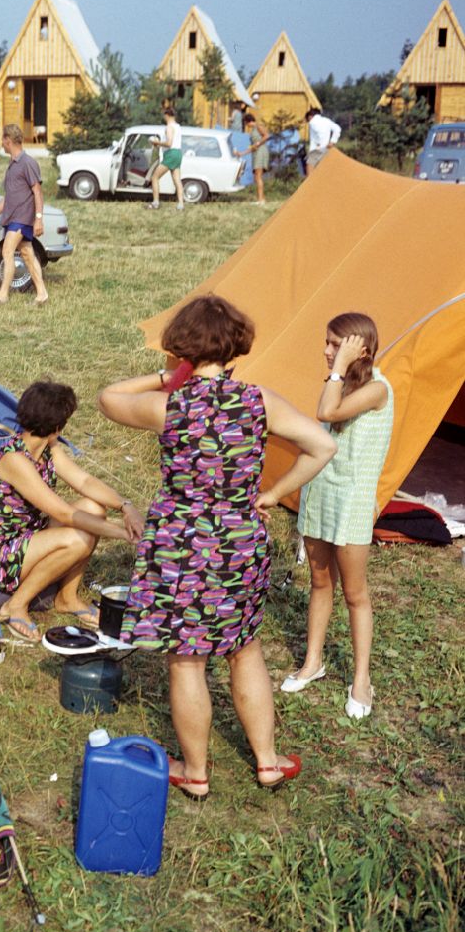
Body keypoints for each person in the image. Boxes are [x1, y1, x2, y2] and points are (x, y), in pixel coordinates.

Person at [98, 295, 336, 799]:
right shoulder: (258, 400)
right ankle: (268, 762)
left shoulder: (170, 405)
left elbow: (107, 397)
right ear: (235, 346)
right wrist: (270, 493)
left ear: (183, 346)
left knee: (187, 658)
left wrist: (168, 378)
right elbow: (323, 445)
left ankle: (196, 771)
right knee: (244, 648)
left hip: (181, 542)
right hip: (239, 539)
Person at [0, 381, 144, 643]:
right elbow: (65, 513)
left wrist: (125, 506)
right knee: (78, 538)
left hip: (26, 537)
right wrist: (124, 533)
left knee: (93, 508)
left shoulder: (48, 449)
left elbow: (84, 482)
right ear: (57, 427)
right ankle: (15, 605)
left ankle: (67, 598)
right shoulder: (14, 459)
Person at [283, 313, 393, 720]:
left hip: (351, 502)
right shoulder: (342, 383)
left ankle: (362, 679)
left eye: (335, 344)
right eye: (327, 344)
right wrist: (338, 371)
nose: (327, 351)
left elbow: (329, 413)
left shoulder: (377, 388)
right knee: (319, 582)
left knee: (355, 593)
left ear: (359, 348)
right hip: (321, 494)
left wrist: (337, 368)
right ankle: (314, 661)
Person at [0, 124, 49, 305]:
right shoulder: (12, 165)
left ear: (8, 140)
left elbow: (38, 192)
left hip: (22, 217)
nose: (2, 144)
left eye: (3, 140)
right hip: (12, 217)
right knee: (27, 253)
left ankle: (2, 295)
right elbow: (8, 196)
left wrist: (38, 220)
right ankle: (42, 294)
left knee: (7, 250)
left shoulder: (28, 163)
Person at [147, 107, 185, 210]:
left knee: (154, 177)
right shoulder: (178, 126)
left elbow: (169, 143)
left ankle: (155, 203)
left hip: (171, 153)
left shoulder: (169, 127)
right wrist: (160, 145)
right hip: (178, 153)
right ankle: (181, 204)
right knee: (177, 179)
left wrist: (156, 143)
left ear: (167, 115)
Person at [234, 113, 271, 204]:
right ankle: (261, 198)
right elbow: (253, 147)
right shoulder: (253, 130)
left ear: (248, 121)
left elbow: (266, 135)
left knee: (258, 176)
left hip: (261, 152)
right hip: (256, 152)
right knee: (256, 176)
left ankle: (260, 200)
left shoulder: (258, 126)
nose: (247, 126)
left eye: (246, 123)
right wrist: (241, 153)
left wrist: (258, 143)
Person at [305, 107, 341, 173]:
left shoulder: (313, 122)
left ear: (310, 116)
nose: (308, 121)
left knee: (309, 166)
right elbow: (337, 128)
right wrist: (332, 142)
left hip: (318, 149)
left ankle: (310, 182)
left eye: (308, 119)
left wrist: (320, 144)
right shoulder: (327, 120)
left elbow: (319, 132)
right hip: (327, 148)